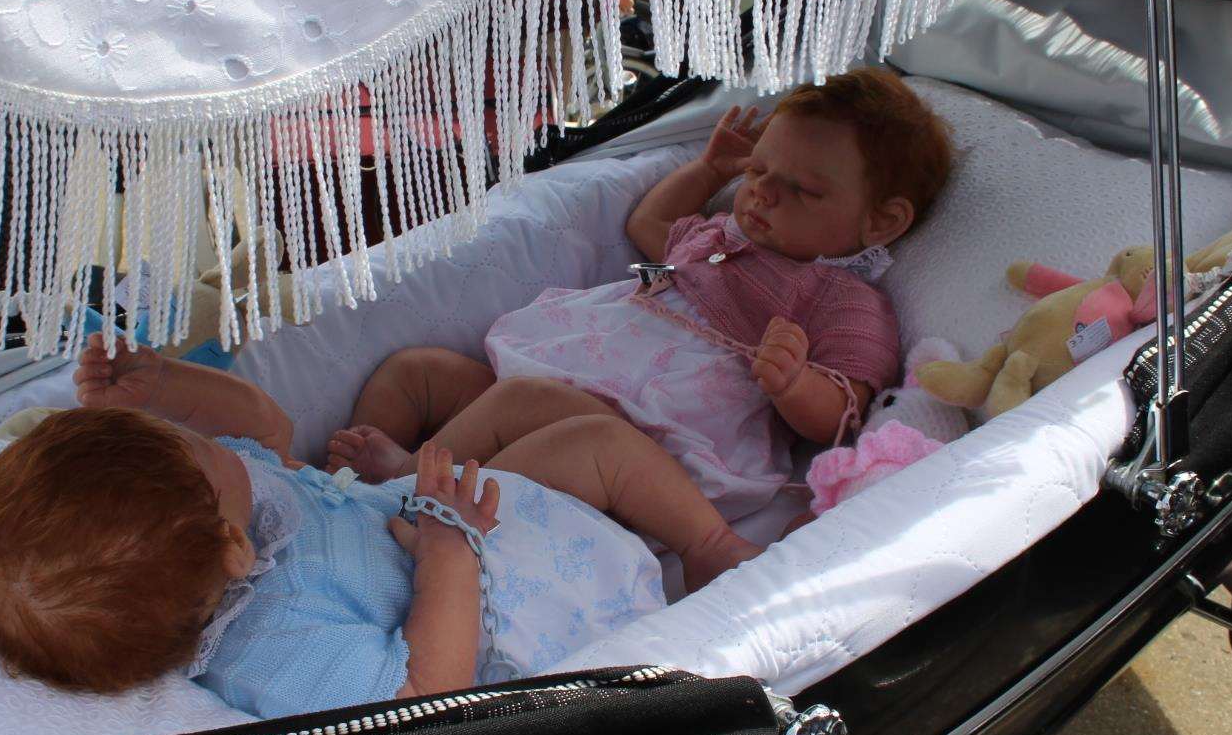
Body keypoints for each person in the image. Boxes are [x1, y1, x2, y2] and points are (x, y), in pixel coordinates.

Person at [327, 68, 954, 588]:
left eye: (801, 189)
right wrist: (710, 171)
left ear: (882, 221)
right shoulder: (715, 245)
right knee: (417, 372)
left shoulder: (840, 296)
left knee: (537, 409)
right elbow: (649, 233)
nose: (761, 193)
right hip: (560, 379)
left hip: (654, 438)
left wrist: (792, 383)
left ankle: (401, 492)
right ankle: (338, 489)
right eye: (758, 172)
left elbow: (843, 412)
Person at [0, 336, 690, 716]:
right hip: (521, 616)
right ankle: (720, 563)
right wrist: (446, 553)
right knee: (594, 448)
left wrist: (169, 385)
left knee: (555, 418)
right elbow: (423, 700)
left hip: (439, 513)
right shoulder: (272, 652)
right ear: (233, 546)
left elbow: (268, 431)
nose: (199, 434)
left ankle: (711, 539)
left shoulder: (216, 519)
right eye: (192, 438)